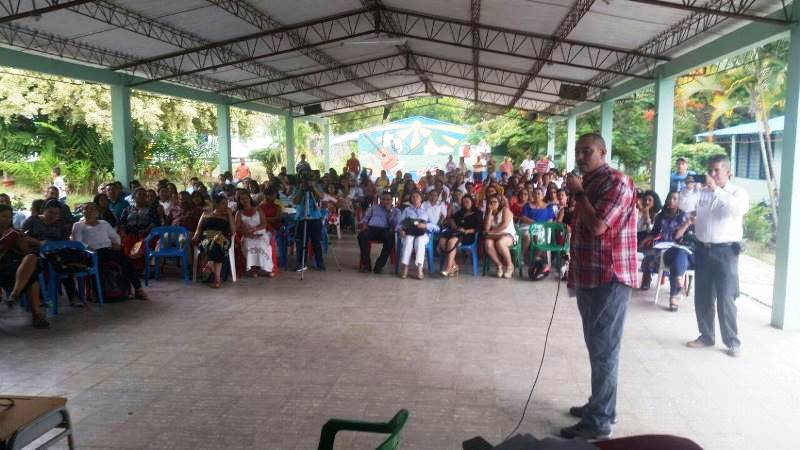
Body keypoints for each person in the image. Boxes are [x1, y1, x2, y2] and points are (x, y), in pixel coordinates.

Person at [561, 133, 638, 440]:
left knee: (605, 350)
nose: (581, 157)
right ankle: (599, 404)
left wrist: (579, 194)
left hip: (610, 278)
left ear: (603, 152)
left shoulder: (616, 183)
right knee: (596, 346)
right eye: (578, 152)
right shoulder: (589, 183)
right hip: (589, 276)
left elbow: (597, 226)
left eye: (588, 151)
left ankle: (600, 421)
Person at [686, 154, 749, 358]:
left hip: (726, 252)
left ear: (727, 172)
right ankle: (706, 336)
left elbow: (735, 210)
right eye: (710, 170)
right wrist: (689, 189)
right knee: (703, 296)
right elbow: (685, 206)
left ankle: (732, 341)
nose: (712, 174)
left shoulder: (738, 193)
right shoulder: (702, 191)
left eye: (717, 170)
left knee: (726, 296)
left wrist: (716, 189)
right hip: (703, 249)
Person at [71, 202, 148, 301]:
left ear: (97, 212)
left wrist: (116, 244)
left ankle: (138, 289)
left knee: (126, 261)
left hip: (108, 249)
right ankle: (96, 293)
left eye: (92, 209)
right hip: (92, 252)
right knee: (98, 263)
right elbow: (77, 242)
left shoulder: (104, 223)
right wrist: (88, 248)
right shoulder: (78, 225)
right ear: (83, 212)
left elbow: (114, 236)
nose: (89, 211)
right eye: (86, 209)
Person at [23, 199, 83, 307]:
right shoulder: (33, 220)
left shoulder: (61, 223)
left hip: (55, 253)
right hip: (36, 252)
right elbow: (22, 236)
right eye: (50, 212)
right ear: (44, 210)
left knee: (63, 264)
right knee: (47, 264)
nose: (53, 216)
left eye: (56, 213)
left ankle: (72, 296)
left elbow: (65, 241)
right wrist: (39, 242)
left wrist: (54, 247)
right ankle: (40, 296)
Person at [639, 191, 693, 310]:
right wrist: (644, 241)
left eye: (674, 199)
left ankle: (677, 286)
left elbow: (687, 236)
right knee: (650, 254)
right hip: (662, 244)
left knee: (677, 256)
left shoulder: (684, 216)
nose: (671, 201)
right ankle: (647, 279)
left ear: (680, 202)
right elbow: (654, 233)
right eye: (670, 198)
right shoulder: (661, 216)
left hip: (678, 245)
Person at [0, 205, 50, 328]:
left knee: (31, 257)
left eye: (9, 217)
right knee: (32, 277)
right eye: (4, 216)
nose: (7, 219)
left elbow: (26, 252)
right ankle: (36, 315)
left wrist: (21, 243)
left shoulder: (14, 231)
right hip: (3, 266)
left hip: (17, 264)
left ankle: (14, 294)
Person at [193, 195, 235, 288]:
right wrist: (195, 238)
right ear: (216, 204)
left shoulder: (227, 216)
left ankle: (209, 266)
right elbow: (198, 230)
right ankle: (217, 279)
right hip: (206, 239)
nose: (226, 206)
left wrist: (230, 215)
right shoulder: (205, 213)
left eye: (227, 204)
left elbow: (233, 232)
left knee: (217, 243)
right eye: (223, 203)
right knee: (213, 244)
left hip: (222, 239)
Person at [396, 191, 438, 280]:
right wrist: (401, 230)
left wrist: (425, 225)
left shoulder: (427, 210)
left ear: (421, 198)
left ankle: (419, 268)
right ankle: (405, 267)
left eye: (417, 197)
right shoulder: (407, 210)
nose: (415, 199)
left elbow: (436, 226)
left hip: (422, 233)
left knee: (419, 241)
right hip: (409, 232)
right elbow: (399, 224)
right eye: (413, 197)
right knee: (408, 239)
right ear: (411, 199)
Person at [439, 194, 481, 277]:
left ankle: (448, 268)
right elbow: (452, 219)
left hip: (468, 235)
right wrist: (453, 223)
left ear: (472, 202)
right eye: (464, 202)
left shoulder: (477, 213)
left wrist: (466, 231)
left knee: (451, 242)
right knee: (442, 241)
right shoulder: (460, 213)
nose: (465, 204)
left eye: (467, 202)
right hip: (456, 233)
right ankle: (454, 266)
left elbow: (478, 228)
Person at [357, 192, 398, 274]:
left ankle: (379, 264)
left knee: (390, 238)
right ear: (380, 200)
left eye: (388, 199)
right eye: (383, 199)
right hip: (372, 228)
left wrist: (389, 213)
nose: (385, 201)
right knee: (362, 235)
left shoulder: (396, 211)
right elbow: (365, 218)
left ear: (392, 200)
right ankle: (366, 264)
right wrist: (364, 224)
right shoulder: (374, 207)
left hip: (386, 230)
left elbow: (397, 224)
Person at [235, 192, 274, 278]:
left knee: (261, 245)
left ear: (250, 199)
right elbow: (236, 228)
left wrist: (254, 229)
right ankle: (253, 269)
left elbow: (264, 223)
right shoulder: (239, 213)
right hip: (247, 234)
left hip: (260, 232)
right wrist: (245, 232)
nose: (245, 200)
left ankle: (267, 269)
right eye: (242, 199)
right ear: (239, 201)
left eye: (246, 198)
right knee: (248, 245)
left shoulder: (258, 209)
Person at [293, 174, 325, 271]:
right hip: (302, 217)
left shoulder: (317, 187)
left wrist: (313, 188)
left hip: (315, 217)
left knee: (316, 242)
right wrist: (301, 190)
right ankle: (301, 263)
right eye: (306, 180)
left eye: (310, 180)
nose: (308, 183)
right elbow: (295, 201)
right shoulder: (298, 188)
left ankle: (319, 262)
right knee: (301, 242)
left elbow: (322, 197)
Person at [519, 188, 556, 267]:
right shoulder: (527, 205)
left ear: (543, 195)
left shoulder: (548, 206)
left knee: (541, 238)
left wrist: (541, 225)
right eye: (535, 193)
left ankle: (535, 259)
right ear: (532, 195)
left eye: (539, 193)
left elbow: (550, 220)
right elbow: (523, 217)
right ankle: (521, 255)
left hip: (543, 227)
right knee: (527, 236)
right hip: (528, 226)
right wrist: (534, 223)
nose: (537, 195)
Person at [483, 194, 517, 278]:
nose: (492, 204)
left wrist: (492, 233)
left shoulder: (505, 210)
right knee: (487, 243)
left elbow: (505, 225)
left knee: (500, 243)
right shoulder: (489, 214)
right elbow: (487, 228)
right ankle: (499, 265)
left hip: (508, 235)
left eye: (494, 202)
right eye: (490, 202)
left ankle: (510, 266)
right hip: (495, 235)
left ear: (499, 203)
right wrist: (490, 212)